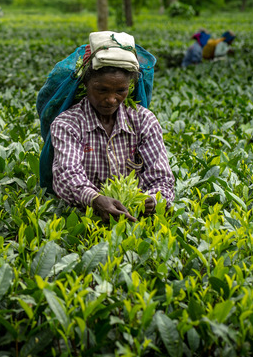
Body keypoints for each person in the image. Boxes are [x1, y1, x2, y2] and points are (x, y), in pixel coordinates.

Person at [49, 32, 175, 222]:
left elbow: (161, 178)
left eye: (120, 91)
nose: (110, 99)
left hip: (135, 220)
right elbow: (66, 176)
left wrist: (153, 200)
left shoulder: (144, 121)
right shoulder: (68, 123)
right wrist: (95, 200)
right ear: (85, 83)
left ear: (130, 87)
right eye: (101, 90)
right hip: (84, 219)